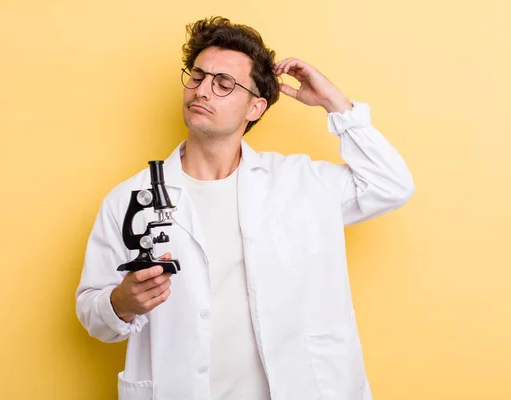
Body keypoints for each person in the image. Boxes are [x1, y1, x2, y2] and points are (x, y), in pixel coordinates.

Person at [76, 16, 414, 400]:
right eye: (198, 76)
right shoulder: (130, 199)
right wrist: (121, 303)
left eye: (223, 84)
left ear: (255, 107)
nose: (202, 90)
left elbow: (392, 184)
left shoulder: (300, 183)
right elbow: (93, 314)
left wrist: (336, 105)